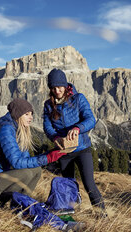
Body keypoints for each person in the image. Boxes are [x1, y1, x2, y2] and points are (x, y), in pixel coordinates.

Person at [0, 98, 66, 207]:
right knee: (26, 173)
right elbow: (17, 163)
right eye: (27, 114)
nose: (31, 118)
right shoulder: (6, 129)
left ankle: (22, 204)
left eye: (31, 114)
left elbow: (25, 161)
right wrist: (47, 158)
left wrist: (51, 154)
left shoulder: (18, 130)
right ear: (18, 115)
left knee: (36, 170)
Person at [43, 68, 106, 216]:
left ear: (65, 86)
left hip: (82, 148)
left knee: (89, 184)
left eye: (59, 86)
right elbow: (47, 126)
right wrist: (54, 137)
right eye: (53, 87)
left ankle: (102, 215)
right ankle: (71, 214)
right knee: (68, 185)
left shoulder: (78, 99)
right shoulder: (48, 105)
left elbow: (91, 119)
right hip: (64, 151)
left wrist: (78, 128)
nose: (57, 90)